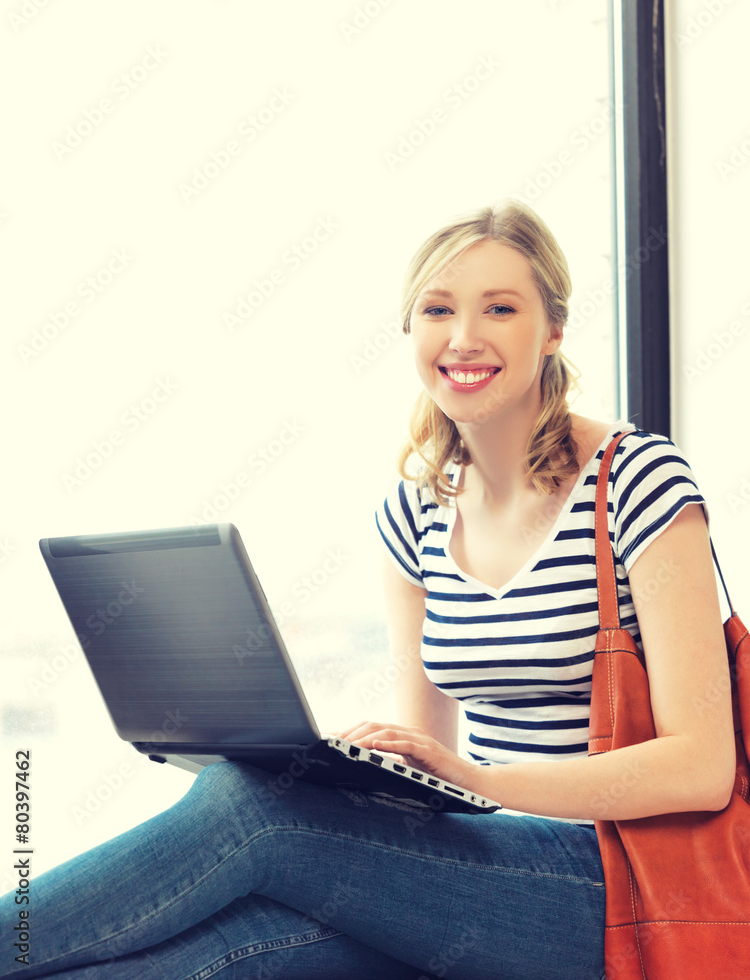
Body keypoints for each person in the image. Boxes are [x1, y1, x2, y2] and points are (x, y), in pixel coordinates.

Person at [1, 200, 736, 980]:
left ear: (552, 331)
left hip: (613, 882)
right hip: (473, 874)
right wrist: (366, 771)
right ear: (411, 330)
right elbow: (430, 772)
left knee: (247, 809)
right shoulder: (416, 513)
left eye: (500, 308)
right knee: (219, 954)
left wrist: (483, 782)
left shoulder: (639, 481)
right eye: (438, 309)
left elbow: (701, 765)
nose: (463, 337)